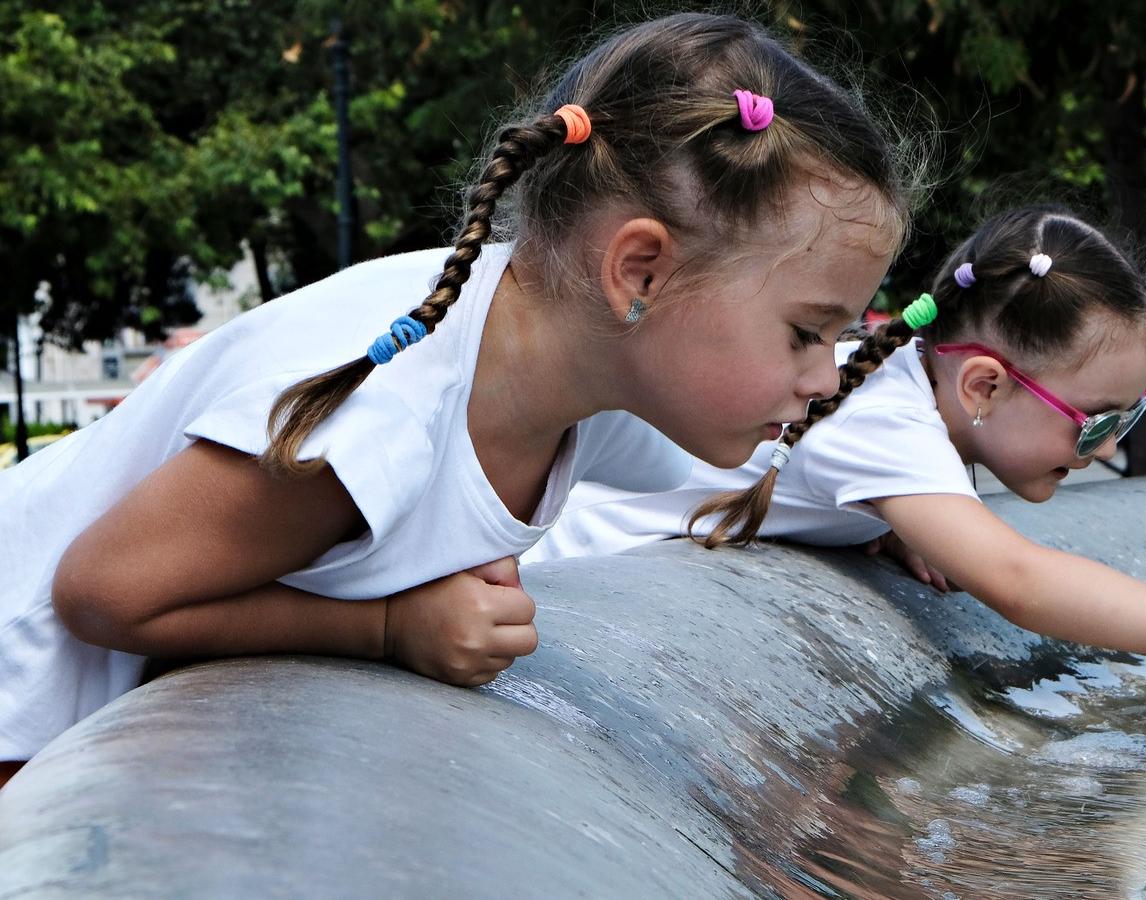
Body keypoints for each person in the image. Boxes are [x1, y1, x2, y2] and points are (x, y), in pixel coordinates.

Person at [0, 13, 919, 788]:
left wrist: (878, 515)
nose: (824, 374)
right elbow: (103, 595)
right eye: (807, 332)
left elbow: (740, 470)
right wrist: (390, 628)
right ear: (638, 271)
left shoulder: (572, 368)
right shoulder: (376, 422)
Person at [528, 205, 1146, 728]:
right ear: (983, 383)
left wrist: (889, 525)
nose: (1112, 449)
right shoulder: (883, 414)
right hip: (569, 585)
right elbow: (1018, 579)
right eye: (1095, 423)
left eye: (1131, 419)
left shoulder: (902, 403)